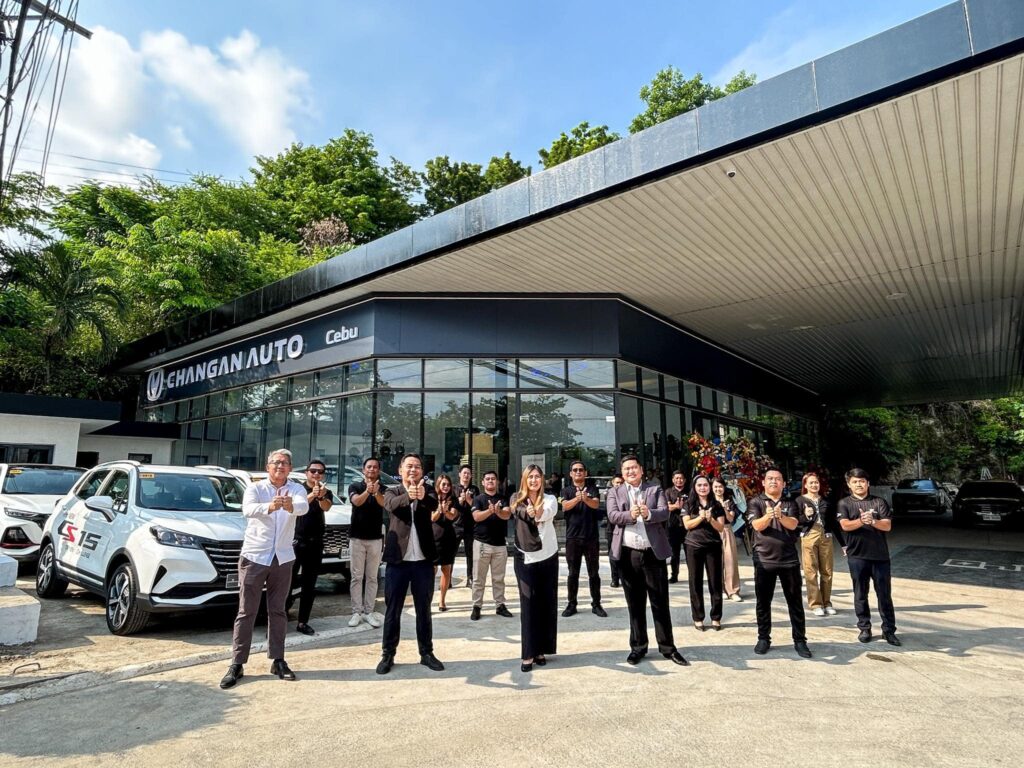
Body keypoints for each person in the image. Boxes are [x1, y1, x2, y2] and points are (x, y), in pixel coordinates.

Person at [220, 449, 308, 689]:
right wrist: (270, 506)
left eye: (285, 463)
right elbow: (247, 510)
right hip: (255, 556)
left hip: (283, 557)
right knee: (246, 611)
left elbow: (303, 507)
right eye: (276, 463)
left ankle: (278, 659)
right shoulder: (255, 488)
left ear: (290, 468)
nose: (280, 466)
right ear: (268, 466)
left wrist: (289, 506)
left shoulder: (297, 488)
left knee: (278, 611)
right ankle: (237, 663)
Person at [606, 454, 689, 667]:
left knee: (660, 602)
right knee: (635, 603)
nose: (630, 472)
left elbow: (663, 512)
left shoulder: (655, 489)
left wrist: (648, 513)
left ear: (641, 470)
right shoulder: (615, 492)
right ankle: (638, 647)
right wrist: (631, 515)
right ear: (622, 473)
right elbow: (613, 516)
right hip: (628, 554)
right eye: (626, 469)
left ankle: (668, 648)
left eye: (634, 468)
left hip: (652, 554)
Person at [376, 453, 445, 674]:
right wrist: (409, 494)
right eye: (409, 466)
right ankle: (388, 654)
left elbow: (434, 503)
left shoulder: (429, 491)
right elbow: (391, 506)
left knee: (423, 609)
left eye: (417, 466)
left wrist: (422, 496)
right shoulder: (392, 491)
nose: (413, 470)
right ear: (400, 470)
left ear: (422, 471)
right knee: (393, 610)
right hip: (398, 562)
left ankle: (426, 652)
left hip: (423, 562)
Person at [744, 468, 811, 658]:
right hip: (764, 560)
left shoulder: (792, 503)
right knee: (763, 602)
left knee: (795, 601)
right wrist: (769, 515)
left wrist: (780, 515)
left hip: (788, 559)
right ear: (763, 482)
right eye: (770, 479)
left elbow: (793, 524)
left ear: (783, 483)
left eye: (778, 479)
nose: (774, 482)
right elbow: (757, 526)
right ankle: (763, 638)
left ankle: (800, 640)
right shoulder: (755, 502)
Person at [837, 468, 899, 646]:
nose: (859, 484)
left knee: (884, 595)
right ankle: (864, 628)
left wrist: (872, 521)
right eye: (855, 481)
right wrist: (861, 521)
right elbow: (845, 525)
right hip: (857, 556)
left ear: (868, 483)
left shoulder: (879, 502)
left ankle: (889, 630)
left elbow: (887, 526)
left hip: (880, 557)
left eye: (862, 481)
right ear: (849, 484)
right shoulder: (844, 504)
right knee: (860, 594)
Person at [511, 464, 559, 672]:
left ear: (542, 479)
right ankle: (528, 653)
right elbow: (519, 511)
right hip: (525, 557)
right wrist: (529, 510)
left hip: (548, 555)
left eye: (537, 477)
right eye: (530, 477)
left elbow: (546, 513)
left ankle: (541, 650)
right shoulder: (516, 498)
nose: (534, 480)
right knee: (528, 605)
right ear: (524, 479)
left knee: (546, 603)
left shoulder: (551, 499)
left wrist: (536, 510)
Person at [292, 459, 334, 635]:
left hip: (315, 542)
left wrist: (321, 496)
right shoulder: (297, 489)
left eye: (320, 472)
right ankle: (279, 619)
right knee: (287, 583)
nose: (316, 474)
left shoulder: (327, 492)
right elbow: (297, 506)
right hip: (295, 542)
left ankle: (303, 622)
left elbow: (326, 507)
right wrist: (312, 495)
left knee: (310, 584)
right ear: (306, 473)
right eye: (313, 471)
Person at [560, 460, 607, 618]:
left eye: (581, 470)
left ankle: (596, 604)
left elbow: (595, 504)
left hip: (591, 537)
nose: (578, 472)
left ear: (585, 473)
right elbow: (564, 506)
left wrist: (585, 498)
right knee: (573, 573)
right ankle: (571, 604)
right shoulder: (565, 491)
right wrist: (578, 498)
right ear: (571, 474)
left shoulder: (593, 489)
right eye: (575, 470)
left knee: (594, 573)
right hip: (573, 537)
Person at [796, 472, 845, 617]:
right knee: (810, 571)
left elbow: (833, 523)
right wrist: (806, 516)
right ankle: (815, 604)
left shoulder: (826, 501)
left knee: (827, 571)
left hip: (826, 536)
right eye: (811, 483)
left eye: (816, 482)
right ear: (805, 485)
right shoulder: (799, 501)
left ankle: (827, 602)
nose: (814, 485)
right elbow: (795, 522)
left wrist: (843, 544)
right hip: (809, 536)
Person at [683, 475, 727, 631]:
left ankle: (716, 617)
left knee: (715, 582)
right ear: (695, 487)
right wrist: (701, 518)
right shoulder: (689, 504)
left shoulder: (716, 505)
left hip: (713, 546)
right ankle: (698, 617)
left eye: (705, 485)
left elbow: (721, 527)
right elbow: (687, 524)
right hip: (693, 545)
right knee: (695, 582)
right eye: (699, 485)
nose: (703, 488)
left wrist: (710, 519)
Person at [347, 457, 386, 628]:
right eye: (369, 467)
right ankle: (356, 611)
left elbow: (384, 503)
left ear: (378, 471)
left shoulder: (383, 488)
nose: (372, 469)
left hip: (376, 539)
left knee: (372, 577)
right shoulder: (355, 486)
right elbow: (356, 501)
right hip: (357, 538)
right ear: (363, 470)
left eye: (375, 467)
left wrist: (375, 491)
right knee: (357, 576)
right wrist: (367, 491)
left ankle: (369, 611)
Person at [471, 470, 513, 620]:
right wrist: (489, 511)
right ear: (483, 482)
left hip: (500, 545)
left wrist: (498, 511)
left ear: (497, 482)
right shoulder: (478, 499)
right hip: (482, 544)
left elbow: (507, 514)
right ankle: (477, 606)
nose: (490, 481)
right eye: (487, 479)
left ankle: (500, 605)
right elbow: (476, 517)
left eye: (493, 479)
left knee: (499, 578)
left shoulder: (503, 499)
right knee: (478, 578)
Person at [712, 477, 743, 602]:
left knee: (730, 560)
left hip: (726, 530)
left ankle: (733, 590)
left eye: (720, 486)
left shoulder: (729, 502)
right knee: (715, 562)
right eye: (715, 487)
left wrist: (724, 507)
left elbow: (730, 519)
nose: (718, 489)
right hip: (713, 531)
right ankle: (719, 590)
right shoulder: (709, 501)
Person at [431, 473, 459, 612]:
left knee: (446, 569)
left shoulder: (453, 499)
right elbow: (433, 518)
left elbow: (453, 516)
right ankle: (428, 599)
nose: (446, 487)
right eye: (444, 484)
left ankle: (442, 600)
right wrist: (439, 509)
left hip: (448, 538)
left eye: (448, 485)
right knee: (432, 570)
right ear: (438, 485)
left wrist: (446, 510)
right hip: (433, 538)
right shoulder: (432, 498)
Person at [452, 464, 478, 588]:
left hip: (470, 525)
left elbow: (477, 506)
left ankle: (470, 578)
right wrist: (460, 501)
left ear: (471, 475)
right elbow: (451, 505)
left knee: (470, 553)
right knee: (452, 552)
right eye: (464, 473)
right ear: (460, 475)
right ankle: (448, 579)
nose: (466, 475)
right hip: (456, 525)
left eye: (468, 473)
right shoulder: (453, 488)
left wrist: (468, 500)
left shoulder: (474, 489)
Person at [664, 470, 688, 583]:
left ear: (685, 480)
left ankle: (693, 575)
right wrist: (675, 506)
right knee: (674, 553)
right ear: (673, 480)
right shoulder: (668, 492)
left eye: (681, 478)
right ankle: (674, 575)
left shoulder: (690, 491)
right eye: (677, 478)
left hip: (687, 526)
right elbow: (665, 507)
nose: (679, 480)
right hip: (673, 526)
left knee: (690, 553)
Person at [606, 474, 624, 588]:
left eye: (621, 483)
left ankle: (624, 577)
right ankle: (615, 578)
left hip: (623, 528)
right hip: (611, 528)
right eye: (616, 482)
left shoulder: (627, 494)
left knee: (624, 555)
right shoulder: (609, 495)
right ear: (612, 483)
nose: (618, 485)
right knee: (613, 555)